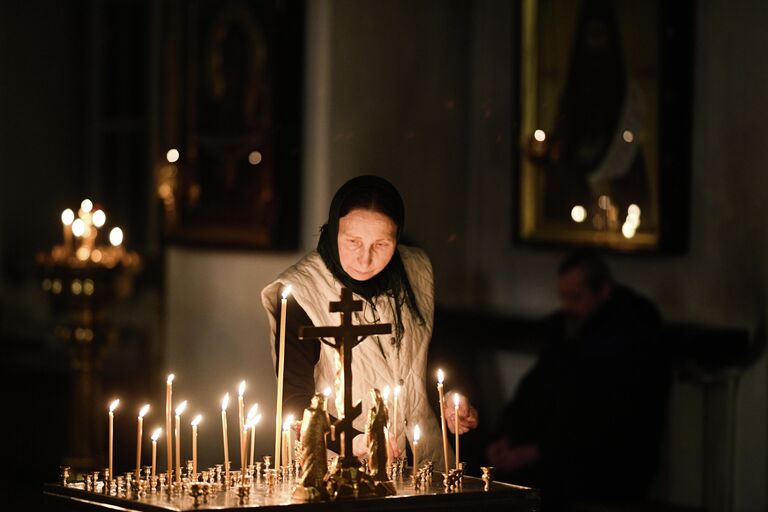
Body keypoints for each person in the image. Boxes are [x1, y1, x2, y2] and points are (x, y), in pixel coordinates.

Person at [261, 175, 477, 469]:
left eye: (382, 244)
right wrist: (356, 442)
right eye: (352, 241)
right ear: (334, 229)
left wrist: (449, 396)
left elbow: (424, 352)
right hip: (338, 467)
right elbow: (295, 400)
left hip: (424, 459)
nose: (365, 259)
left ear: (397, 237)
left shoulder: (415, 269)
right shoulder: (301, 291)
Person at [487, 250, 669, 509]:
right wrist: (506, 435)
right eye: (564, 297)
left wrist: (535, 452)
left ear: (603, 292)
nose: (567, 307)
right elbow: (535, 388)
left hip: (609, 467)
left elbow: (605, 420)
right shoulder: (569, 329)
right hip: (556, 453)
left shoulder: (631, 339)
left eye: (576, 297)